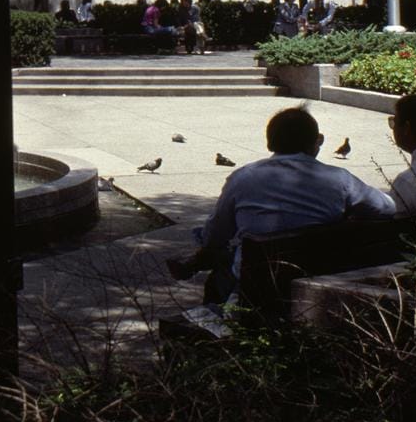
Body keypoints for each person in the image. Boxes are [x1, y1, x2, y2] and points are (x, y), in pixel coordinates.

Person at [169, 107, 396, 301]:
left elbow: (215, 235)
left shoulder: (243, 178)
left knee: (218, 253)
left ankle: (197, 270)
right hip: (313, 272)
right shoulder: (339, 179)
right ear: (317, 141)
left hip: (256, 278)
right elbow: (386, 207)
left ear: (270, 142)